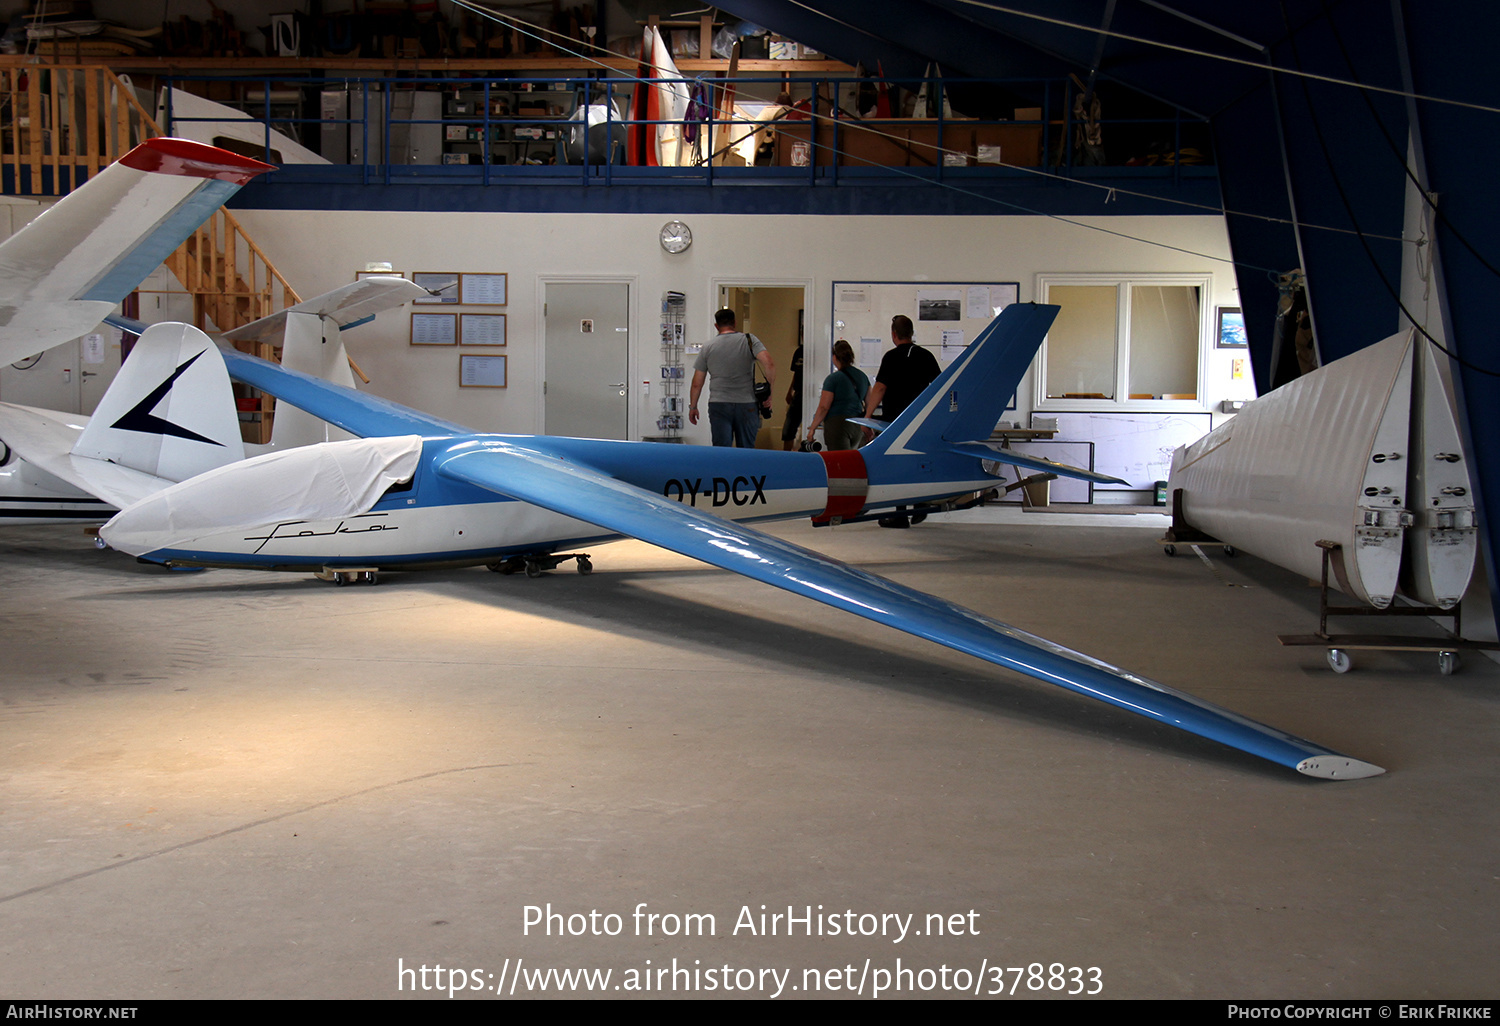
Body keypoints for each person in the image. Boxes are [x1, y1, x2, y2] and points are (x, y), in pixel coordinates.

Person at [864, 314, 940, 527]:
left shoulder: (890, 357)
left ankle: (900, 515)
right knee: (919, 462)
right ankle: (921, 504)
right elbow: (938, 388)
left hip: (894, 421)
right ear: (911, 333)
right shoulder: (926, 356)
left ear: (894, 334)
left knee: (897, 466)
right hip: (920, 421)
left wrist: (868, 416)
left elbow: (880, 388)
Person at [690, 309, 775, 448]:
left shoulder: (708, 347)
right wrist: (769, 392)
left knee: (722, 451)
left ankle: (723, 470)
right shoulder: (749, 340)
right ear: (735, 323)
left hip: (719, 403)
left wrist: (693, 406)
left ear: (716, 326)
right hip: (747, 403)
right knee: (746, 449)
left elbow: (696, 383)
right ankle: (745, 470)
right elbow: (769, 363)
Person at [804, 340, 869, 451]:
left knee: (839, 463)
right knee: (851, 462)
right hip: (857, 426)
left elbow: (824, 407)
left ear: (834, 357)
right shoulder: (863, 377)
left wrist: (812, 428)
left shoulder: (833, 379)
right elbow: (869, 403)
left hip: (838, 425)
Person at [781, 339, 804, 450]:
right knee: (788, 430)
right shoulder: (799, 352)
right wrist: (790, 391)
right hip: (798, 393)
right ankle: (787, 456)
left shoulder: (819, 351)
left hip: (812, 394)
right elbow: (796, 373)